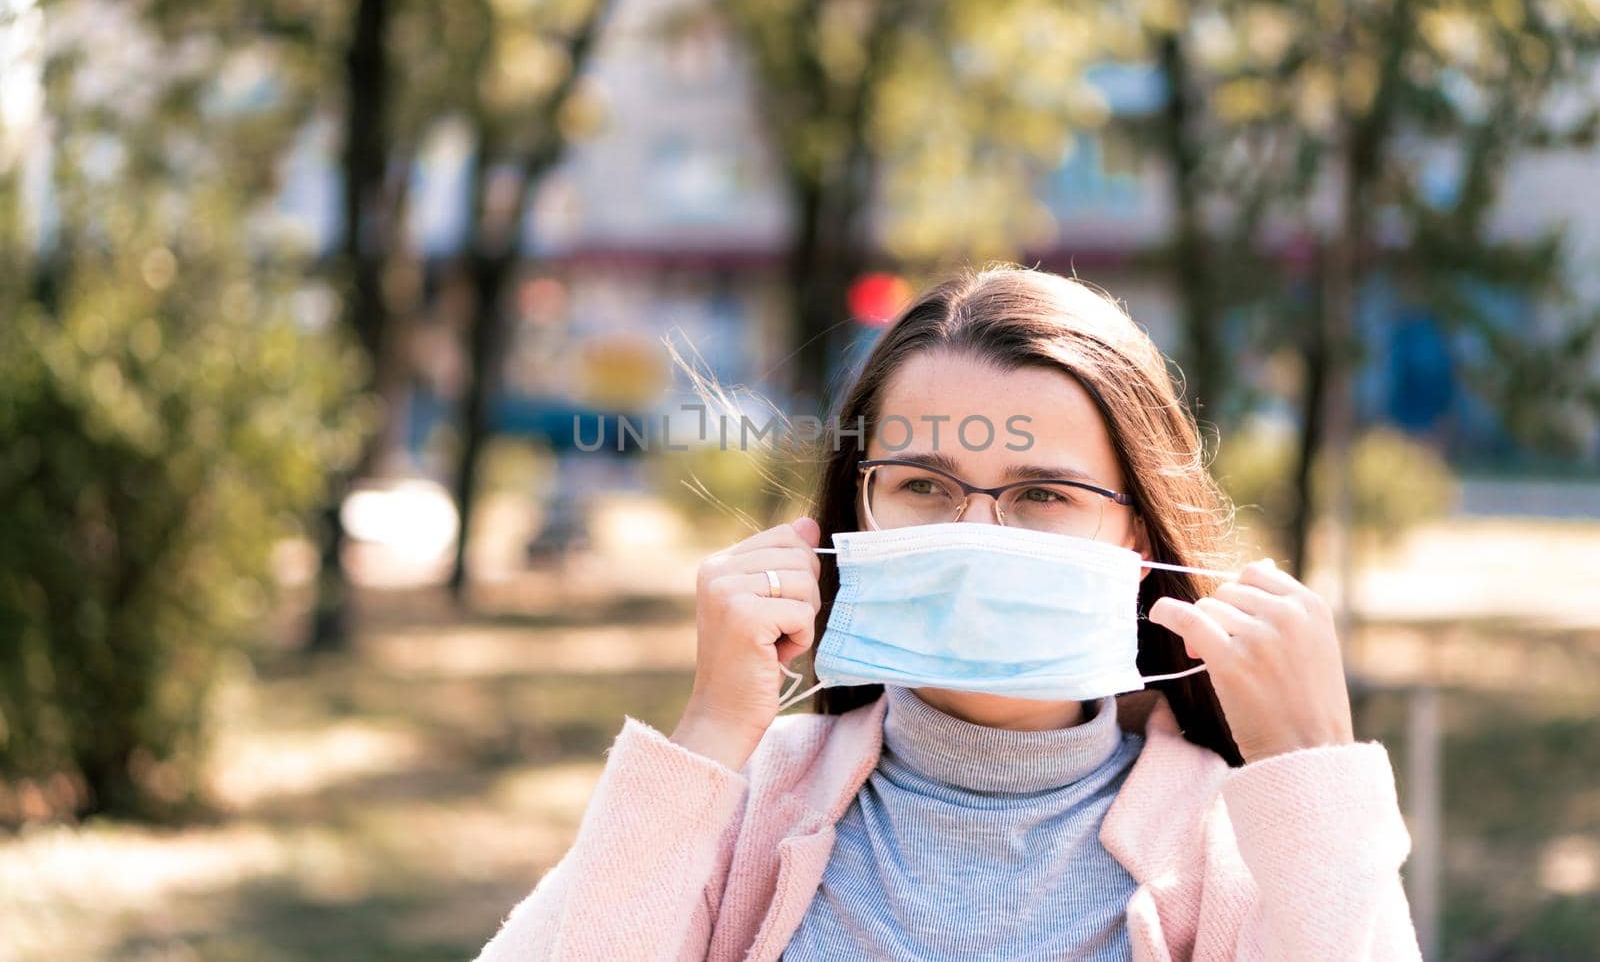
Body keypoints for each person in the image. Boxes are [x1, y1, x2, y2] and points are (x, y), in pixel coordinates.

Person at [476, 265, 1423, 961]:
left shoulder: (1237, 843)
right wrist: (710, 732)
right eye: (925, 483)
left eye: (1044, 493)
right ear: (856, 508)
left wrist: (1317, 776)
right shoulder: (743, 802)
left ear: (1137, 539)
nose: (976, 535)